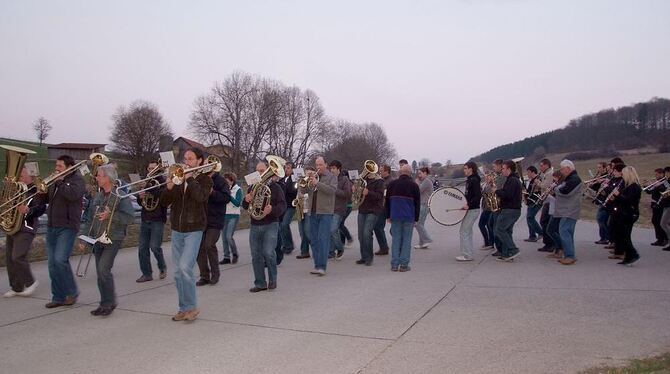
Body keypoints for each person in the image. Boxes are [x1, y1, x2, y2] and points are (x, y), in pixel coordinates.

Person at [160, 148, 213, 321]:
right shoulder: (178, 178)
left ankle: (192, 307)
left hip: (194, 229)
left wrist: (190, 180)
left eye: (190, 159)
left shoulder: (205, 180)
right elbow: (164, 202)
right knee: (177, 272)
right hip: (177, 229)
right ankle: (183, 308)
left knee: (185, 267)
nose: (187, 162)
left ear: (199, 161)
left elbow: (201, 197)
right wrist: (169, 188)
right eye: (185, 159)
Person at [79, 164, 134, 316]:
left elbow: (130, 217)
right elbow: (90, 219)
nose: (96, 178)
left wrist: (111, 216)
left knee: (104, 269)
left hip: (113, 237)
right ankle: (104, 303)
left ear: (107, 178)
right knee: (100, 272)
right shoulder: (98, 196)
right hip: (97, 238)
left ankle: (110, 302)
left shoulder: (120, 195)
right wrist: (84, 238)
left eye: (99, 175)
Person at [41, 155, 86, 308]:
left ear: (69, 167)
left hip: (67, 226)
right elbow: (48, 199)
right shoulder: (56, 181)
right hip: (52, 225)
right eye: (56, 166)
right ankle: (58, 296)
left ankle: (72, 292)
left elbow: (73, 195)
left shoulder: (77, 180)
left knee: (60, 260)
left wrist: (60, 182)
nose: (56, 169)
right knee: (52, 264)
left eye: (59, 166)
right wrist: (41, 191)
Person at [242, 160, 286, 291]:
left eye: (262, 171)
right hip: (255, 224)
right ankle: (260, 283)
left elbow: (283, 206)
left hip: (270, 224)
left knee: (268, 252)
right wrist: (246, 200)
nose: (260, 173)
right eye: (258, 171)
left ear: (268, 171)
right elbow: (245, 207)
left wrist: (271, 210)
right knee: (256, 255)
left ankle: (273, 279)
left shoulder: (276, 187)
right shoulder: (252, 187)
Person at [3, 167, 46, 298]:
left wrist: (28, 210)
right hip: (13, 226)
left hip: (26, 227)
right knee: (10, 259)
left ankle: (31, 282)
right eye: (18, 174)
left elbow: (41, 208)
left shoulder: (37, 190)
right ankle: (16, 288)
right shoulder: (15, 188)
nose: (19, 176)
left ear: (29, 174)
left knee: (18, 256)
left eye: (22, 173)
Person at [196, 165, 230, 286]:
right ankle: (204, 276)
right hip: (201, 218)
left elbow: (227, 197)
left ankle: (215, 274)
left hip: (215, 219)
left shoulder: (221, 181)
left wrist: (213, 193)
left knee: (209, 244)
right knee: (199, 247)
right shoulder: (200, 178)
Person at [135, 160, 168, 283]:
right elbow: (140, 203)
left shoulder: (164, 181)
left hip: (158, 219)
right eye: (149, 168)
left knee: (155, 247)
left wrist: (148, 188)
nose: (151, 171)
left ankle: (162, 267)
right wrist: (140, 196)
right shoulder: (145, 182)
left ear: (159, 169)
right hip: (145, 218)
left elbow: (163, 196)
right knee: (142, 248)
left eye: (154, 168)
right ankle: (146, 273)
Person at [305, 156, 337, 275]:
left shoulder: (332, 177)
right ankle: (317, 265)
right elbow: (303, 191)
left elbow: (332, 190)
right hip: (312, 211)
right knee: (313, 240)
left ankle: (322, 267)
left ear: (326, 165)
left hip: (325, 212)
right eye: (316, 165)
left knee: (323, 239)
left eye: (320, 165)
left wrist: (317, 183)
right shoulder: (313, 177)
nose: (318, 167)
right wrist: (305, 181)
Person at [385, 164, 420, 272]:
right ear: (410, 173)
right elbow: (417, 204)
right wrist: (416, 218)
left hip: (395, 215)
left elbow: (387, 201)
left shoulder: (392, 184)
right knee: (406, 241)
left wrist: (388, 215)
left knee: (396, 240)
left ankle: (394, 265)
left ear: (401, 172)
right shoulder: (414, 186)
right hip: (409, 216)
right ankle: (404, 265)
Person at [609, 165, 642, 266]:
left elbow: (629, 200)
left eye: (623, 174)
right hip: (623, 213)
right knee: (621, 235)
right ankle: (628, 256)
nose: (622, 176)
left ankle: (633, 254)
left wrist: (618, 195)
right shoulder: (627, 186)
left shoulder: (634, 187)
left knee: (624, 236)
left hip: (629, 214)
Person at [554, 160, 583, 266]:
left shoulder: (574, 179)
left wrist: (556, 189)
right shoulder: (571, 178)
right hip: (568, 209)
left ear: (568, 168)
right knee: (567, 232)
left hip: (570, 210)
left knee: (564, 231)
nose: (561, 171)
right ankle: (569, 254)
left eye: (562, 169)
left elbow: (565, 191)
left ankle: (570, 256)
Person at [355, 166, 385, 266]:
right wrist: (355, 189)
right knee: (360, 235)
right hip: (362, 209)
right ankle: (363, 257)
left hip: (374, 210)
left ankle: (369, 258)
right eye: (366, 169)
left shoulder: (379, 181)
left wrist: (368, 193)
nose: (366, 171)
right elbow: (357, 194)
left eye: (369, 170)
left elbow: (380, 196)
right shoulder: (363, 180)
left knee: (367, 233)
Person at [494, 160, 522, 262]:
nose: (502, 170)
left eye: (503, 168)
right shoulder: (512, 179)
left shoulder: (512, 180)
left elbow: (507, 195)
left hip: (510, 210)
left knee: (499, 229)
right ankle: (507, 254)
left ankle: (513, 249)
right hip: (513, 210)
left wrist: (496, 191)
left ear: (509, 169)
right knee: (507, 231)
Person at [457, 161, 482, 262]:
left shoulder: (474, 180)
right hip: (471, 209)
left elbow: (478, 195)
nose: (464, 170)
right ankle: (468, 253)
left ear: (471, 169)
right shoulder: (470, 180)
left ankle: (467, 255)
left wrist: (468, 205)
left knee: (464, 231)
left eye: (465, 168)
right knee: (468, 232)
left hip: (473, 209)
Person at [329, 160, 352, 260]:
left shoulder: (344, 179)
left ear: (339, 169)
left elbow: (347, 194)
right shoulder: (329, 179)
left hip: (339, 208)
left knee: (333, 229)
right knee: (329, 231)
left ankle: (340, 248)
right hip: (329, 208)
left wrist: (334, 190)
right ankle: (331, 251)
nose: (332, 170)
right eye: (331, 168)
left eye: (334, 168)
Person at [220, 172, 242, 264]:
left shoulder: (238, 189)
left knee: (229, 236)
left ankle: (235, 253)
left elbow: (237, 203)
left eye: (227, 181)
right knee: (224, 237)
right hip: (224, 215)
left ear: (232, 180)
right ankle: (226, 257)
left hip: (234, 215)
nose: (225, 182)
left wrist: (228, 195)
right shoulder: (223, 189)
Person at [296, 166, 315, 259]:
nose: (307, 173)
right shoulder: (301, 181)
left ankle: (317, 250)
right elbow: (298, 190)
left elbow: (312, 191)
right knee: (302, 232)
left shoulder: (313, 182)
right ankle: (304, 252)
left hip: (309, 209)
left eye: (309, 171)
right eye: (306, 171)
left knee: (308, 231)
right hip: (300, 208)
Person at [537, 159, 555, 252]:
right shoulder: (546, 174)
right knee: (544, 222)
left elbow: (545, 185)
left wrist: (537, 182)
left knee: (544, 222)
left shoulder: (549, 174)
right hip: (546, 201)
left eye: (541, 165)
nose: (540, 168)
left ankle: (550, 243)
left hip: (549, 201)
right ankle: (548, 243)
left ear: (546, 165)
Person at [646, 168, 668, 247]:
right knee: (655, 221)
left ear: (662, 174)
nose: (656, 176)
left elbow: (666, 191)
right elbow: (649, 191)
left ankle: (664, 239)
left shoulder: (665, 182)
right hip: (655, 204)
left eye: (657, 174)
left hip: (661, 204)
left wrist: (658, 186)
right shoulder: (657, 182)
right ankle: (659, 238)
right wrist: (647, 186)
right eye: (655, 174)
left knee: (660, 222)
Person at [373, 164, 392, 255]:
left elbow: (385, 195)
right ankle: (383, 247)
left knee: (378, 227)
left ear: (386, 171)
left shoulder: (388, 182)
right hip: (381, 206)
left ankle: (384, 247)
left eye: (381, 171)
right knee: (378, 227)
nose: (379, 172)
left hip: (384, 207)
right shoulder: (382, 180)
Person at [489, 159, 507, 257]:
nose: (493, 168)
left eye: (495, 166)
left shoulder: (502, 177)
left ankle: (500, 248)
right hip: (496, 204)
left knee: (497, 227)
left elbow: (497, 188)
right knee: (492, 224)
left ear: (500, 166)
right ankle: (498, 247)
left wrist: (492, 183)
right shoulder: (498, 176)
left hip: (499, 205)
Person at [279, 162, 297, 255]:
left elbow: (293, 190)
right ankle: (285, 245)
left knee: (285, 224)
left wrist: (285, 186)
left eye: (289, 168)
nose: (286, 169)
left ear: (293, 169)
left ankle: (289, 246)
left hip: (291, 205)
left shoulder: (295, 179)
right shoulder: (282, 179)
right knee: (281, 225)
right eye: (286, 168)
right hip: (283, 205)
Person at [545, 171, 564, 259]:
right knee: (554, 230)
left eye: (555, 178)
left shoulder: (561, 186)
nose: (554, 180)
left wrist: (549, 195)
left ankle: (561, 247)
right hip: (553, 210)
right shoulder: (557, 186)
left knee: (551, 230)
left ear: (559, 177)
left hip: (557, 211)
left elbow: (558, 200)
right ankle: (557, 250)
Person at [414, 167, 433, 249]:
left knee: (417, 224)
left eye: (420, 173)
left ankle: (427, 239)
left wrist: (417, 182)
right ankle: (422, 243)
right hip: (422, 204)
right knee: (421, 224)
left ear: (425, 173)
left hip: (424, 204)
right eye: (418, 174)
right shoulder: (424, 181)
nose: (419, 175)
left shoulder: (427, 181)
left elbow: (419, 190)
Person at [523, 166, 543, 243]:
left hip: (535, 201)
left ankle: (541, 232)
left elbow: (537, 190)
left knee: (530, 217)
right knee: (528, 218)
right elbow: (529, 191)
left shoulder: (537, 179)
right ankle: (532, 236)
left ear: (532, 172)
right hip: (530, 201)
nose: (527, 174)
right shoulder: (531, 180)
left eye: (528, 172)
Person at [660, 167, 670, 252]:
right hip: (666, 204)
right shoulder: (666, 181)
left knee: (663, 223)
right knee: (666, 223)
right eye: (665, 173)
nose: (666, 174)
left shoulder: (668, 182)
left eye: (667, 173)